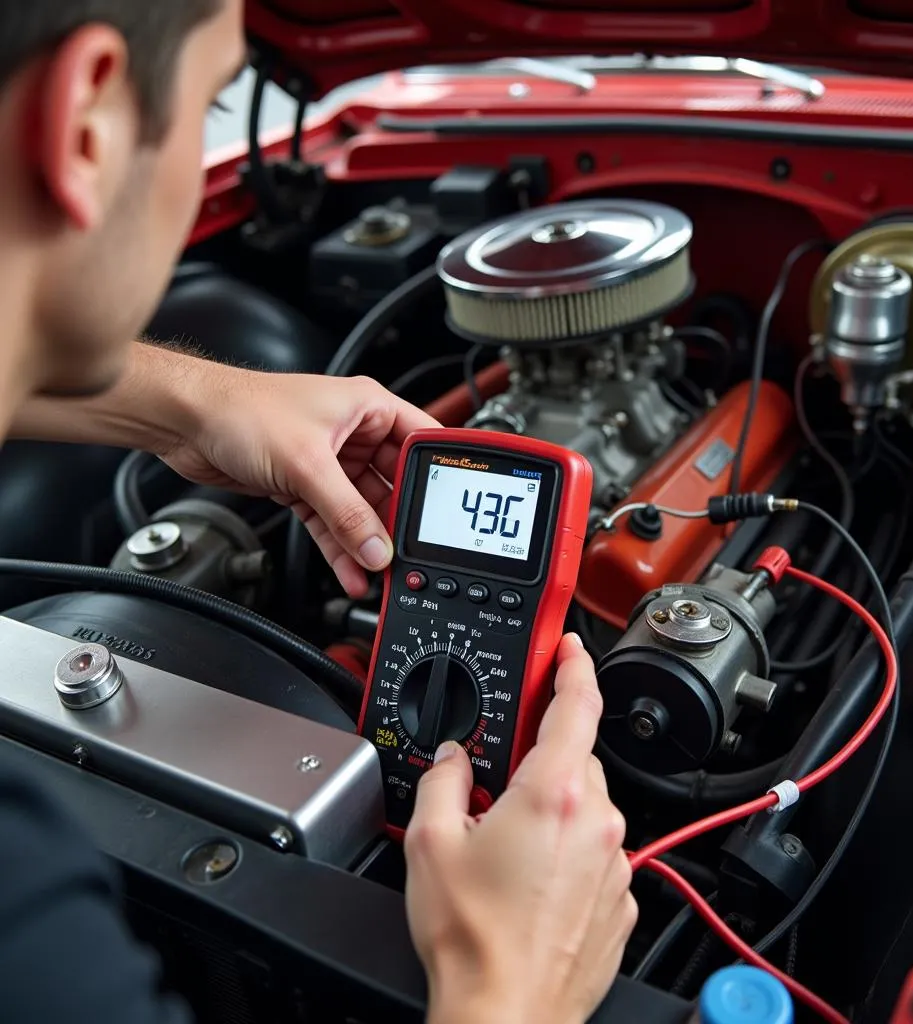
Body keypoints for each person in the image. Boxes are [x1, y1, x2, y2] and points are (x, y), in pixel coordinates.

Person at [0, 2, 637, 1023]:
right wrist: (511, 981)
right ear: (85, 123)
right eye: (214, 101)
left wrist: (197, 401)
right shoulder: (27, 920)